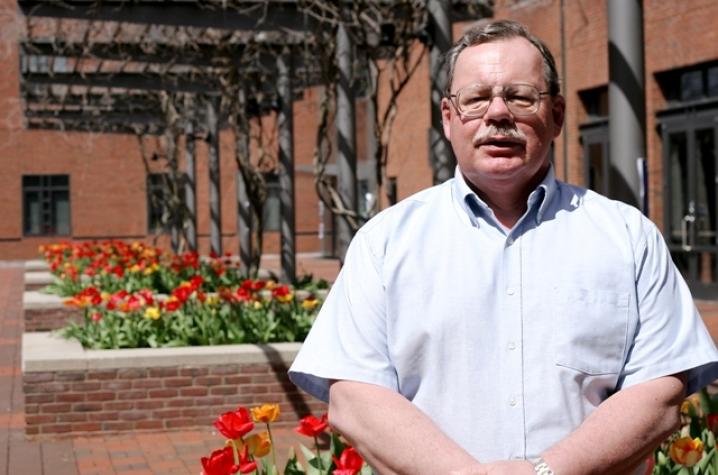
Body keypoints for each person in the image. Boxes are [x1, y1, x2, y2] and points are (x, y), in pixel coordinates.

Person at [288, 19, 718, 475]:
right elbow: (354, 397)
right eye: (475, 99)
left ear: (556, 114)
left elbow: (660, 391)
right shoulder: (384, 243)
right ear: (448, 118)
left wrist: (544, 472)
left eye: (519, 96)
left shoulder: (628, 236)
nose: (497, 113)